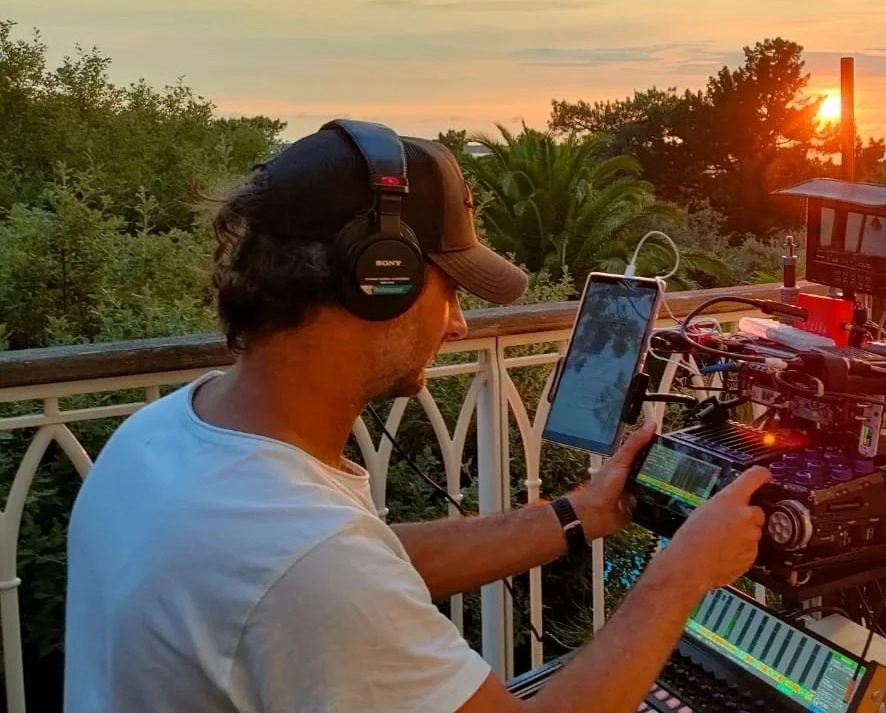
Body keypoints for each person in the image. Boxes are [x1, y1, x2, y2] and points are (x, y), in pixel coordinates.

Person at [63, 120, 771, 713]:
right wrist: (679, 577)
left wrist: (581, 510)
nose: (460, 324)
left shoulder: (159, 437)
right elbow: (327, 569)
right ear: (379, 277)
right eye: (450, 290)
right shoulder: (305, 557)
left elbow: (368, 559)